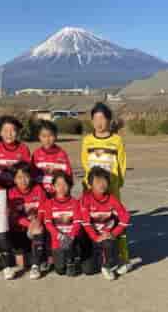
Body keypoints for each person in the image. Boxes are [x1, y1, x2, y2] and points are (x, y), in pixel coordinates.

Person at [81, 102, 129, 271]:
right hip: (92, 189)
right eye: (95, 119)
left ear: (109, 120)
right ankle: (96, 255)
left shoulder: (117, 140)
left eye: (102, 118)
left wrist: (117, 185)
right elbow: (85, 164)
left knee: (118, 223)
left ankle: (123, 257)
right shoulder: (87, 140)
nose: (99, 123)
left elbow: (122, 164)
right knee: (92, 221)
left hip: (112, 189)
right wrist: (89, 186)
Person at [81, 167, 131, 281]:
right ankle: (116, 262)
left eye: (104, 181)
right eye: (97, 182)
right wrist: (96, 237)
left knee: (108, 243)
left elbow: (125, 217)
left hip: (108, 236)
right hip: (93, 237)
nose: (101, 184)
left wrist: (113, 233)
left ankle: (108, 266)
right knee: (88, 270)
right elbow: (86, 222)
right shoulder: (86, 199)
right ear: (90, 184)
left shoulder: (112, 199)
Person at [8, 162, 47, 280]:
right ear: (14, 180)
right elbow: (14, 217)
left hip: (35, 228)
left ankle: (36, 266)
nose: (23, 180)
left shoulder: (38, 189)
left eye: (26, 176)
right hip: (19, 230)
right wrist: (29, 223)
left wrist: (37, 221)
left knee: (38, 229)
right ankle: (37, 256)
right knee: (21, 264)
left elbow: (43, 209)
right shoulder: (11, 193)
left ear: (30, 177)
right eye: (19, 177)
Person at [44, 171, 82, 277]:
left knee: (70, 245)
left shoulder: (75, 202)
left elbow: (77, 222)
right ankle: (65, 259)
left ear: (70, 186)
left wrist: (70, 236)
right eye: (58, 184)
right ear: (53, 187)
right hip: (57, 240)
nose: (61, 187)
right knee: (60, 270)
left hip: (71, 239)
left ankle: (72, 261)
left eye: (65, 184)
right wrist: (59, 235)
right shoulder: (49, 203)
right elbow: (48, 224)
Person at [31, 120, 72, 196]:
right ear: (39, 137)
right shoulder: (36, 154)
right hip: (40, 195)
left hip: (57, 194)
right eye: (44, 136)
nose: (47, 139)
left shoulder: (62, 154)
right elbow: (31, 177)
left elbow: (68, 176)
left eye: (50, 136)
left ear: (56, 136)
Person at [0, 116, 31, 188]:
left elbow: (27, 172)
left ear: (17, 132)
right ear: (0, 133)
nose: (9, 134)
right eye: (5, 130)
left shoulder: (23, 148)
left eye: (12, 130)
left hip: (17, 188)